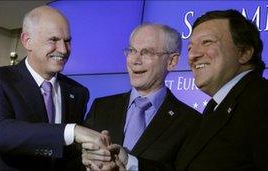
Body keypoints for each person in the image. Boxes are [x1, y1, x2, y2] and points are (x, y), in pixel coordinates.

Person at [175, 9, 268, 170]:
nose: (193, 55)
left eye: (207, 42)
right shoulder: (216, 108)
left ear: (244, 53)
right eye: (190, 47)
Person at [0, 6, 110, 171]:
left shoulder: (78, 92)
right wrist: (71, 131)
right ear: (27, 41)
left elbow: (69, 152)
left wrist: (89, 155)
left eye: (67, 41)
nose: (63, 50)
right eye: (54, 40)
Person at [81, 23, 202, 170]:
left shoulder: (191, 122)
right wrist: (85, 161)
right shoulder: (101, 107)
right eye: (132, 51)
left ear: (172, 61)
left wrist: (131, 164)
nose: (135, 60)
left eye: (147, 52)